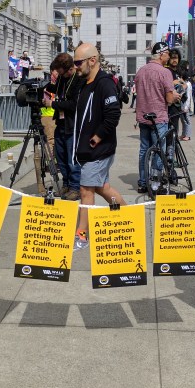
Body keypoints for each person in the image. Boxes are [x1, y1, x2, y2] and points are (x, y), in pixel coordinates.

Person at [72, 42, 126, 250]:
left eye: (78, 62)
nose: (76, 66)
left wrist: (96, 137)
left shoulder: (104, 83)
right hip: (88, 149)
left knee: (86, 190)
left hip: (98, 149)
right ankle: (127, 215)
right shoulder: (84, 83)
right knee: (102, 188)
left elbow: (113, 114)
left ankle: (82, 236)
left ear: (92, 60)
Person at [134, 42, 176, 194]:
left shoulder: (141, 71)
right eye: (167, 53)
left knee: (144, 150)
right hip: (158, 117)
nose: (169, 56)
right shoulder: (165, 72)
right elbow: (169, 99)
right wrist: (175, 95)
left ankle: (142, 182)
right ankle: (155, 184)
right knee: (159, 150)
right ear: (161, 54)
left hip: (143, 116)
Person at [44, 53, 84, 201]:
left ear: (67, 69)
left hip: (72, 124)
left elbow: (74, 104)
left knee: (71, 159)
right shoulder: (61, 78)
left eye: (59, 71)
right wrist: (45, 86)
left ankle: (75, 187)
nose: (57, 74)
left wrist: (52, 104)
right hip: (60, 122)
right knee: (60, 156)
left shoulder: (79, 80)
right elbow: (57, 91)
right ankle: (66, 184)